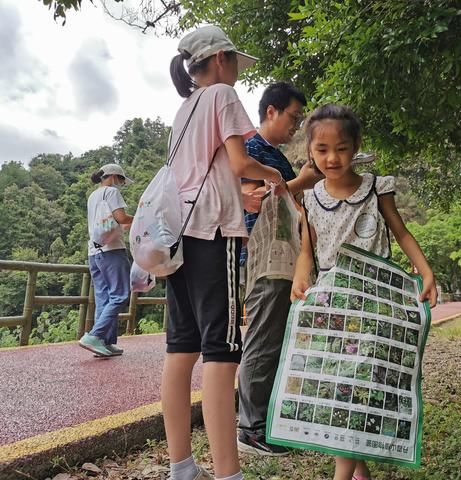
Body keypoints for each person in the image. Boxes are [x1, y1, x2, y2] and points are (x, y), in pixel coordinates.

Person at [290, 104, 438, 480]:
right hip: (332, 306)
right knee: (343, 386)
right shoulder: (309, 198)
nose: (331, 157)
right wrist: (300, 278)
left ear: (356, 146)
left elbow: (401, 232)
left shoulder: (376, 187)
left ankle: (343, 474)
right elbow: (308, 249)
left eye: (341, 148)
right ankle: (360, 472)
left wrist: (425, 272)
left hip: (376, 305)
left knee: (357, 385)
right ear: (310, 151)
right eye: (321, 149)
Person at [163, 25, 286, 480]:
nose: (237, 70)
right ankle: (228, 474)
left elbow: (207, 174)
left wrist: (242, 196)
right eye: (235, 61)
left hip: (179, 236)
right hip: (214, 235)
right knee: (221, 351)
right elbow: (240, 163)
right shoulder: (221, 96)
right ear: (219, 59)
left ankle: (182, 466)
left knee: (181, 349)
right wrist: (273, 176)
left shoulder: (184, 111)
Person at [237, 82, 323, 456]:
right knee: (263, 340)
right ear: (271, 111)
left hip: (286, 257)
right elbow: (256, 201)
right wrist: (301, 181)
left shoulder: (272, 155)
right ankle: (251, 428)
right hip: (263, 258)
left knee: (278, 342)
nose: (295, 125)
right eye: (293, 116)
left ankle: (267, 421)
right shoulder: (250, 150)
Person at [79, 163, 133, 358]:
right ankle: (95, 336)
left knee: (104, 297)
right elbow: (121, 217)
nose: (120, 184)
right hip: (112, 250)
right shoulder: (111, 192)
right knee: (120, 294)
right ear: (112, 177)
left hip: (94, 252)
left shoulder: (93, 195)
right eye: (120, 180)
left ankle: (105, 341)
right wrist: (141, 218)